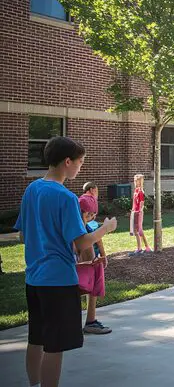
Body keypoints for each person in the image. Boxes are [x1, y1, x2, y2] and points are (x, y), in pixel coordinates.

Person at [14, 136, 118, 387]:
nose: (81, 167)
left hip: (34, 278)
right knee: (55, 346)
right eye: (80, 162)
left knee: (36, 338)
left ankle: (34, 384)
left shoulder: (32, 189)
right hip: (58, 280)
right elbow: (81, 242)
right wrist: (106, 229)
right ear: (67, 161)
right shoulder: (65, 197)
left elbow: (22, 233)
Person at [76, 194, 111, 335]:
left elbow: (98, 241)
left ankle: (90, 321)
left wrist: (101, 257)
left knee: (91, 286)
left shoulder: (86, 228)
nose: (91, 217)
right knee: (76, 290)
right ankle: (75, 323)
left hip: (86, 264)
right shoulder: (76, 228)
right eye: (89, 214)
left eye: (92, 214)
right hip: (74, 267)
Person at [129, 174, 151, 255]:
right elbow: (135, 202)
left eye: (136, 180)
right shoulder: (136, 190)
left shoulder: (141, 191)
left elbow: (142, 203)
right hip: (134, 212)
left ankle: (142, 248)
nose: (135, 182)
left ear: (140, 181)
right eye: (134, 180)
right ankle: (144, 247)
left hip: (138, 213)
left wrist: (139, 211)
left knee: (138, 230)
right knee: (138, 230)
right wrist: (133, 210)